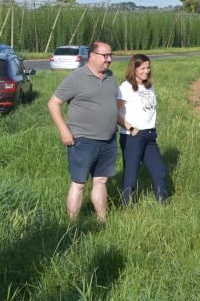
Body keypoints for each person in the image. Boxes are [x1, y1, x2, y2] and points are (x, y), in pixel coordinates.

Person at [48, 40, 124, 222]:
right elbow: (53, 103)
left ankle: (101, 220)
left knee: (101, 181)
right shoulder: (77, 77)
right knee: (79, 184)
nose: (109, 59)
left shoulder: (110, 76)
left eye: (111, 55)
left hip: (108, 140)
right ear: (92, 56)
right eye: (105, 56)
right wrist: (64, 131)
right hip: (83, 140)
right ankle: (72, 224)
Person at [117, 54, 169, 205]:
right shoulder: (125, 87)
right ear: (134, 69)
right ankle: (127, 206)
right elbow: (115, 113)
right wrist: (131, 128)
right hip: (133, 136)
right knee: (131, 175)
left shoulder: (149, 86)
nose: (146, 71)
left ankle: (163, 204)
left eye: (148, 68)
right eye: (142, 68)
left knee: (159, 170)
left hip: (150, 134)